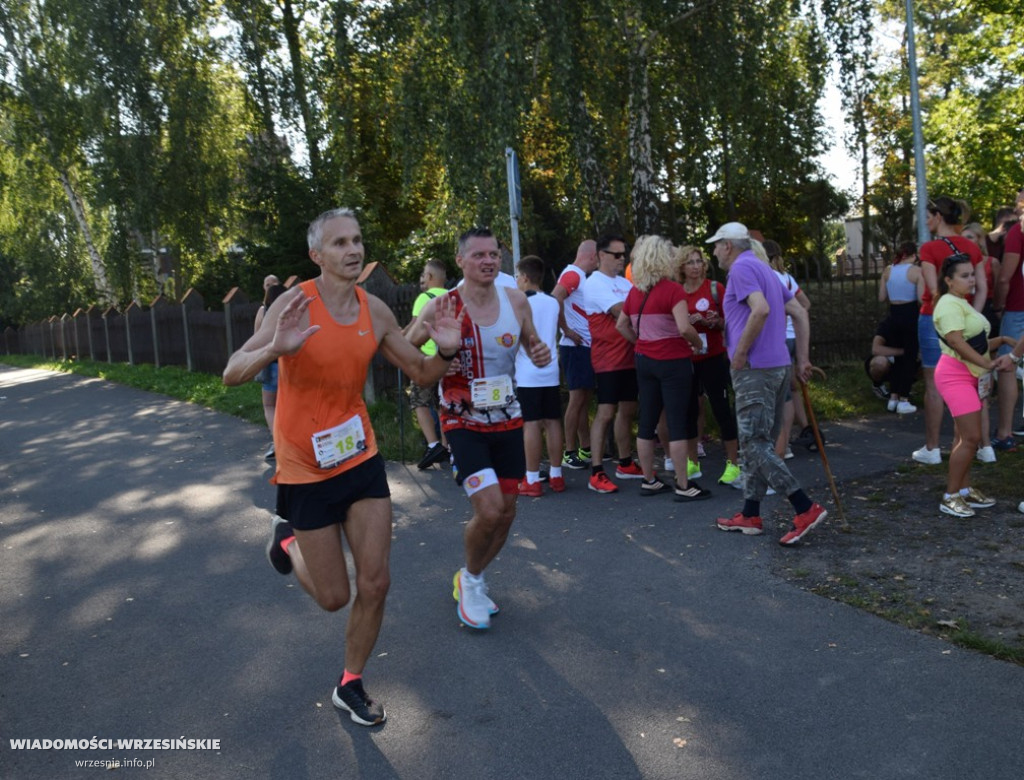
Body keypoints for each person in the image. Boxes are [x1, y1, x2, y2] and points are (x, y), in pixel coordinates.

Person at [222, 208, 464, 726]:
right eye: (339, 243)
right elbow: (230, 372)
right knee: (334, 597)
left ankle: (350, 683)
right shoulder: (293, 304)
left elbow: (420, 369)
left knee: (375, 582)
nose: (352, 250)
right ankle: (286, 540)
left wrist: (448, 349)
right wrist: (273, 347)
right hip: (305, 467)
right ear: (317, 255)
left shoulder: (374, 310)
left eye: (357, 240)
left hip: (359, 459)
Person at [409, 227, 551, 631]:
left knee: (506, 513)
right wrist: (438, 360)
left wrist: (539, 353)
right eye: (478, 255)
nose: (488, 261)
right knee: (488, 509)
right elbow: (404, 347)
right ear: (460, 261)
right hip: (460, 418)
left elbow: (532, 347)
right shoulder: (443, 306)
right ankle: (471, 581)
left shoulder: (515, 300)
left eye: (493, 255)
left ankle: (471, 576)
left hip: (507, 416)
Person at [706, 222, 827, 545]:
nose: (714, 251)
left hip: (755, 370)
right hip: (778, 367)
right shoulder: (766, 270)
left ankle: (804, 507)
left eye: (716, 245)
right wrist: (802, 359)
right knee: (758, 444)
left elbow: (759, 310)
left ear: (728, 246)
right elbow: (800, 313)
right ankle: (750, 513)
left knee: (754, 444)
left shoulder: (742, 270)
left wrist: (740, 352)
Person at [615, 235, 710, 500]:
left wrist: (641, 341)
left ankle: (649, 480)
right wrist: (696, 344)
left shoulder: (635, 291)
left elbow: (621, 325)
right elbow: (683, 327)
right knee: (678, 422)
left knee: (647, 423)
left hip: (644, 360)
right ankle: (683, 485)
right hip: (673, 362)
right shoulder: (673, 290)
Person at [931, 253, 1012, 516]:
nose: (972, 279)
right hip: (956, 375)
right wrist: (988, 364)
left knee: (963, 437)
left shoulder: (959, 302)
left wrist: (1001, 342)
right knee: (972, 437)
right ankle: (950, 496)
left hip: (969, 374)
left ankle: (964, 490)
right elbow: (957, 342)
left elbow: (972, 343)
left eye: (972, 274)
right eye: (964, 276)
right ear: (949, 280)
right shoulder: (948, 305)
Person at [913, 197, 986, 465]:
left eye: (928, 216)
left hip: (934, 319)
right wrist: (972, 315)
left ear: (938, 216)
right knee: (966, 382)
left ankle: (932, 448)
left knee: (933, 384)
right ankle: (965, 443)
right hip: (965, 321)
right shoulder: (971, 245)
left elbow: (933, 291)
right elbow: (982, 286)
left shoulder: (930, 248)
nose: (926, 221)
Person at [677, 244, 742, 487]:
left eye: (698, 261)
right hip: (687, 359)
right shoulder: (677, 292)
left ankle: (733, 464)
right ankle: (692, 461)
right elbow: (673, 325)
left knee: (722, 409)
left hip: (714, 357)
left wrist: (716, 322)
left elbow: (732, 322)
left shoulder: (715, 288)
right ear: (682, 267)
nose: (695, 266)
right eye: (690, 262)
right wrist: (687, 324)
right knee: (689, 412)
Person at [584, 234, 642, 494]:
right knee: (606, 413)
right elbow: (624, 312)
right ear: (601, 256)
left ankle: (625, 462)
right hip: (607, 359)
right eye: (616, 254)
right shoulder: (594, 282)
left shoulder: (624, 283)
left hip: (630, 356)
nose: (622, 259)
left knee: (628, 410)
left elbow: (638, 310)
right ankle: (596, 471)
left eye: (624, 254)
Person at [514, 255, 565, 495]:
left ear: (524, 277)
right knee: (553, 421)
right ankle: (557, 475)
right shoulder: (554, 302)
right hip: (551, 369)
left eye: (517, 276)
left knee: (531, 424)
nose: (516, 281)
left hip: (528, 372)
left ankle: (532, 479)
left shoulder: (519, 302)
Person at [764, 239, 814, 457]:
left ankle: (781, 442)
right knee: (791, 388)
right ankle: (801, 431)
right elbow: (806, 304)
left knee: (780, 393)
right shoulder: (787, 278)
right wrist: (793, 316)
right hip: (794, 337)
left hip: (779, 339)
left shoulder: (766, 277)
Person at [552, 240, 599, 469]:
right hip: (575, 346)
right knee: (576, 399)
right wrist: (567, 330)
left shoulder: (577, 275)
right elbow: (555, 297)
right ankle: (569, 451)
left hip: (583, 346)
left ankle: (585, 447)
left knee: (583, 399)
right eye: (598, 258)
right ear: (592, 256)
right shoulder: (574, 274)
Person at [402, 259, 450, 470]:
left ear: (430, 277)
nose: (422, 278)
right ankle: (447, 446)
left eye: (423, 274)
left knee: (419, 401)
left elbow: (415, 327)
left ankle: (433, 445)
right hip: (448, 359)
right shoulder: (452, 296)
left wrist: (397, 336)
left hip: (427, 358)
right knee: (443, 403)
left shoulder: (425, 298)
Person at [877, 241, 921, 414]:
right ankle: (904, 398)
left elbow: (881, 297)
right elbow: (921, 298)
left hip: (893, 314)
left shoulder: (888, 270)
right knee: (910, 356)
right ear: (913, 255)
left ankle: (893, 398)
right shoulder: (916, 271)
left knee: (896, 358)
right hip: (910, 314)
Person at [254, 281, 288, 459]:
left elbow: (257, 338)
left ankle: (279, 443)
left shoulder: (263, 311)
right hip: (291, 364)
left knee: (269, 405)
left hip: (271, 365)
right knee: (290, 405)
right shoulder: (293, 310)